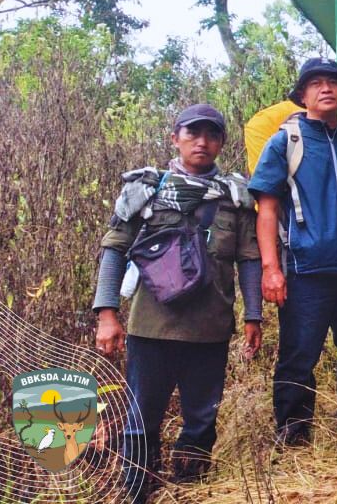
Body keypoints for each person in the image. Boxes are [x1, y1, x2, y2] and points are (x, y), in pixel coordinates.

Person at [92, 104, 262, 501]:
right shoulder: (146, 190)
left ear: (221, 142)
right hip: (151, 329)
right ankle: (137, 493)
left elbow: (249, 259)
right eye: (192, 134)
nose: (202, 142)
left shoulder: (233, 197)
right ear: (175, 138)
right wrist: (106, 315)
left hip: (211, 330)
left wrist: (253, 315)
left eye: (211, 135)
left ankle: (188, 492)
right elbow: (114, 250)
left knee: (202, 421)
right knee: (140, 420)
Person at [249, 58, 337, 446]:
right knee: (299, 354)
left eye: (333, 82)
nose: (326, 88)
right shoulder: (285, 142)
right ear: (303, 95)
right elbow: (267, 209)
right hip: (306, 272)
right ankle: (293, 435)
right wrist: (270, 269)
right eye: (316, 83)